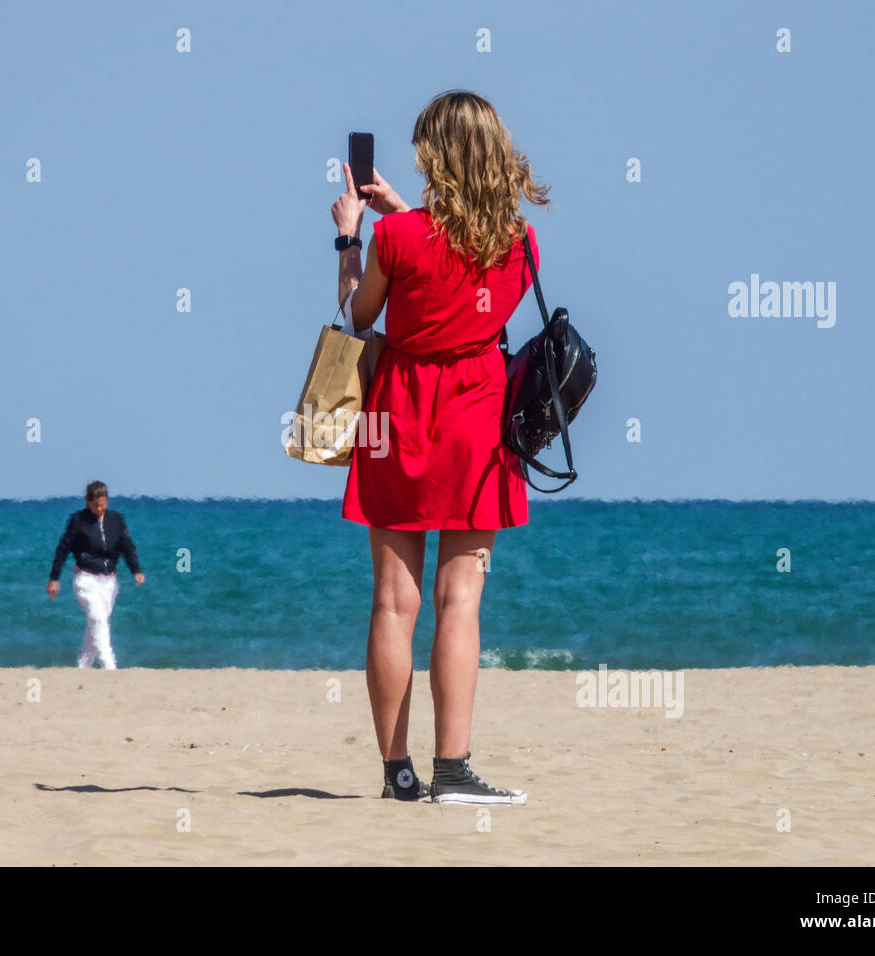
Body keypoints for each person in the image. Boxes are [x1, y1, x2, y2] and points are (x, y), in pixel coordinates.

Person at [331, 90, 550, 804]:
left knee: (394, 602)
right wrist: (403, 216)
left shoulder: (397, 239)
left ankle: (399, 775)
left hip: (398, 415)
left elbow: (357, 313)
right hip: (479, 419)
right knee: (462, 600)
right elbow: (458, 275)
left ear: (438, 156)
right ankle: (454, 770)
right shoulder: (519, 241)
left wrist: (350, 238)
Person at [47, 481, 145, 669]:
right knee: (98, 619)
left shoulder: (116, 519)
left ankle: (83, 667)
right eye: (95, 506)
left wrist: (136, 570)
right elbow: (63, 548)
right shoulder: (77, 520)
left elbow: (127, 546)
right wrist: (54, 578)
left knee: (96, 623)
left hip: (109, 583)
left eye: (102, 505)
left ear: (107, 501)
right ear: (87, 502)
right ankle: (110, 666)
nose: (99, 509)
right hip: (85, 580)